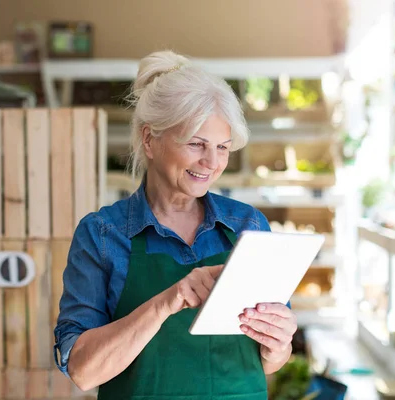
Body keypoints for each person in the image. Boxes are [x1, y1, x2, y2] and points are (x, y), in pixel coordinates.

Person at [54, 50, 298, 399]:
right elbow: (83, 370)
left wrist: (278, 346)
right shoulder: (104, 236)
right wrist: (167, 302)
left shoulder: (248, 224)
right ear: (150, 140)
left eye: (223, 147)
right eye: (196, 144)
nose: (211, 162)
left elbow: (270, 360)